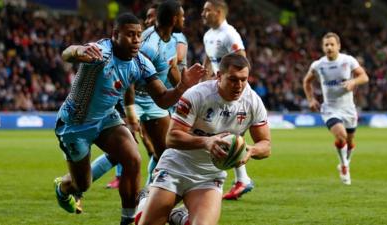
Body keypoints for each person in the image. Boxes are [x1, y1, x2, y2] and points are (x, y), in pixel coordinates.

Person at [53, 12, 205, 225]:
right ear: (115, 35)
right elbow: (67, 53)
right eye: (130, 35)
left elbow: (162, 99)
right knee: (82, 184)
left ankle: (128, 220)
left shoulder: (142, 63)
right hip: (75, 124)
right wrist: (79, 50)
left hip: (107, 119)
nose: (136, 40)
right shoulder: (101, 52)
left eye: (139, 35)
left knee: (133, 159)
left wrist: (181, 86)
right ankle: (63, 188)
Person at [136, 53, 271, 225]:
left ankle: (179, 217)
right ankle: (146, 202)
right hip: (176, 167)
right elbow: (171, 138)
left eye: (244, 80)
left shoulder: (253, 102)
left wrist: (250, 150)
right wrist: (207, 142)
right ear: (219, 76)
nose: (239, 86)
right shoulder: (197, 94)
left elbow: (266, 145)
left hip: (209, 175)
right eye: (233, 79)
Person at [105, 1, 190, 189]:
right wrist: (130, 111)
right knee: (120, 153)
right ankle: (73, 185)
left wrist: (189, 92)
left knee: (165, 152)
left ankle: (150, 193)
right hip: (134, 97)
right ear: (174, 19)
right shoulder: (148, 42)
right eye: (182, 17)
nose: (185, 20)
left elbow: (171, 69)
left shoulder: (173, 40)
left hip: (155, 100)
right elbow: (130, 77)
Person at [200, 0, 254, 200]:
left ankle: (241, 179)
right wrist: (203, 84)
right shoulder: (208, 35)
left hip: (233, 92)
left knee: (227, 132)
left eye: (207, 10)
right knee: (221, 131)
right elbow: (208, 61)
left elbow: (242, 60)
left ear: (219, 11)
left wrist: (235, 85)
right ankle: (242, 179)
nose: (203, 13)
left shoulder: (229, 34)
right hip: (217, 90)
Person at [303, 32, 369, 185]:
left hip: (349, 109)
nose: (329, 47)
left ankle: (344, 163)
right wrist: (311, 99)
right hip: (330, 109)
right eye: (326, 45)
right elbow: (306, 82)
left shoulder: (348, 61)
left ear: (338, 46)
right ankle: (344, 166)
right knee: (341, 136)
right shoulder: (318, 65)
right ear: (322, 47)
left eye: (332, 44)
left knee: (350, 142)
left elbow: (364, 77)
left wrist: (353, 82)